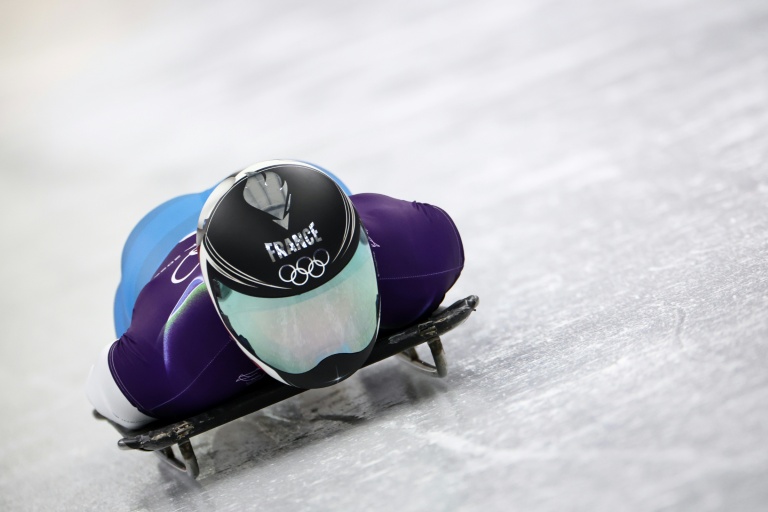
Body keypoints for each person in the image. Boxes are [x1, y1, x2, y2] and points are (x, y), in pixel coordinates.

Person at [86, 160, 464, 429]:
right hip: (157, 243)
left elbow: (112, 403)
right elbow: (108, 394)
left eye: (338, 291)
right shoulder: (171, 353)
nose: (323, 328)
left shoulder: (418, 252)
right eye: (284, 314)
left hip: (296, 185)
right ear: (224, 308)